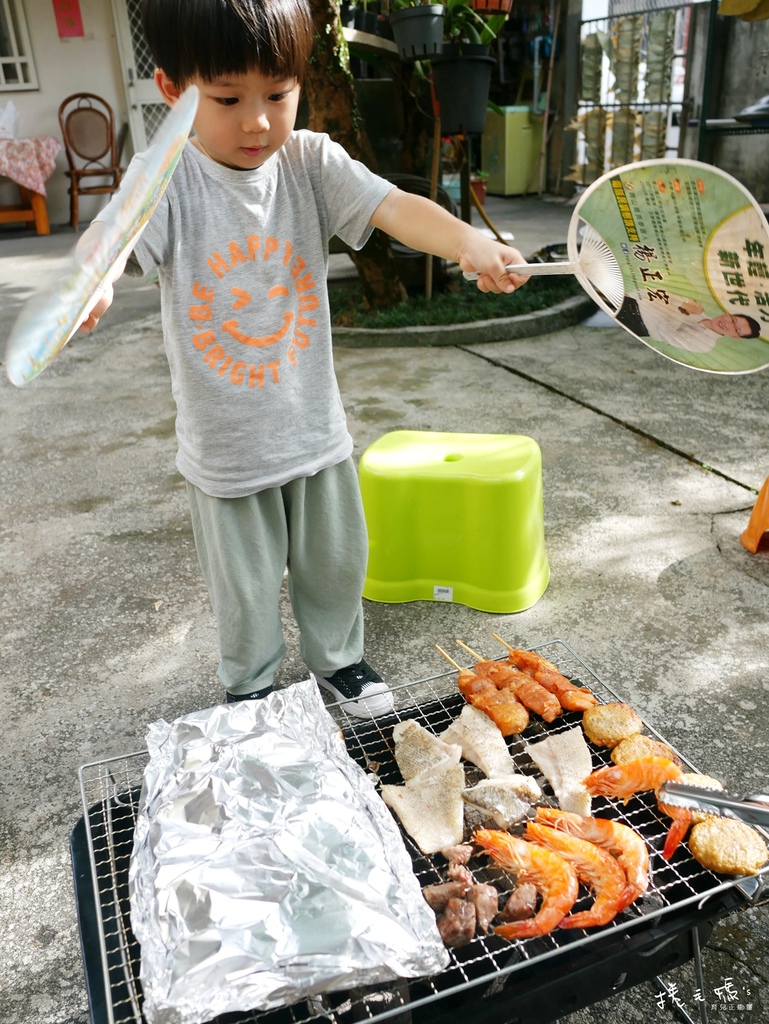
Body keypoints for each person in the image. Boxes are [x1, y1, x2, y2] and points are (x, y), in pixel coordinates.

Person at [78, 0, 529, 718]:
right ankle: (251, 686)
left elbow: (394, 208)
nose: (256, 120)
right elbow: (114, 237)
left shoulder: (311, 161)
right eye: (227, 99)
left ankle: (341, 662)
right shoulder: (163, 175)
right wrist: (93, 279)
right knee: (246, 587)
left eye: (278, 94)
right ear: (172, 91)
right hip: (227, 449)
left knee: (335, 564)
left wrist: (469, 244)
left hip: (313, 431)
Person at [616, 293, 762, 354]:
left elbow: (668, 334)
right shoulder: (699, 308)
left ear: (734, 336)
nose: (729, 324)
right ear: (729, 314)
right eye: (733, 320)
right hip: (627, 299)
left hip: (634, 323)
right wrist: (629, 295)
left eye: (736, 330)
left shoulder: (706, 344)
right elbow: (660, 294)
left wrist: (683, 309)